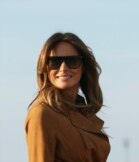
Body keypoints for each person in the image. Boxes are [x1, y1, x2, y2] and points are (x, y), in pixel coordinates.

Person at [25, 32, 110, 162]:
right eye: (55, 62)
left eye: (72, 61)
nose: (63, 68)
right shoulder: (42, 114)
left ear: (83, 67)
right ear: (45, 68)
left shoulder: (83, 113)